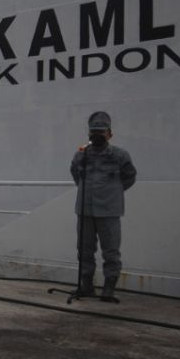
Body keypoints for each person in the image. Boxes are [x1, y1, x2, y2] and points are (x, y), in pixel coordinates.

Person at [70, 111, 137, 302]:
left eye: (101, 132)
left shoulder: (120, 156)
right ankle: (86, 286)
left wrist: (113, 192)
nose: (97, 136)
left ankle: (108, 289)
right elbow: (75, 174)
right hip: (85, 210)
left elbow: (130, 177)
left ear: (110, 134)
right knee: (84, 249)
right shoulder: (80, 155)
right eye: (94, 132)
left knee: (111, 251)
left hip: (109, 211)